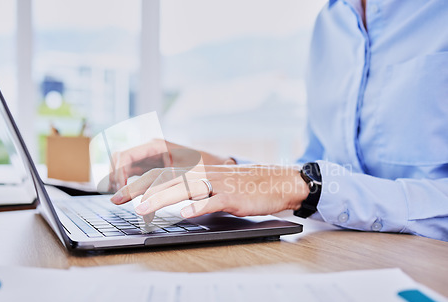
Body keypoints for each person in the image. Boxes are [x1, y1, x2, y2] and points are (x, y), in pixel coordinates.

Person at [110, 0, 448, 242]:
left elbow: (318, 186)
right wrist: (225, 167)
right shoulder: (331, 24)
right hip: (348, 260)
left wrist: (306, 187)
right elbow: (322, 171)